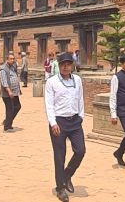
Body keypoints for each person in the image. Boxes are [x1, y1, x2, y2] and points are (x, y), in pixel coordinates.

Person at [45, 53, 86, 202]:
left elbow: (80, 98)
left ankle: (67, 174)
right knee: (59, 156)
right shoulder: (52, 82)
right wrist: (53, 122)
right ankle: (60, 188)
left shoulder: (77, 80)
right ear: (59, 65)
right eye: (63, 64)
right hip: (59, 123)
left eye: (68, 64)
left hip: (75, 121)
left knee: (80, 151)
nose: (66, 67)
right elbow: (49, 104)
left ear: (72, 65)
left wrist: (81, 116)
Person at [0, 54, 22, 132]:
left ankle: (7, 121)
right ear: (7, 59)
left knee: (17, 106)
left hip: (15, 92)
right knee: (10, 109)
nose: (12, 60)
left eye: (13, 59)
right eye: (11, 59)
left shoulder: (12, 67)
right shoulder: (3, 69)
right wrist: (9, 91)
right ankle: (7, 126)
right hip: (7, 93)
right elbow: (4, 82)